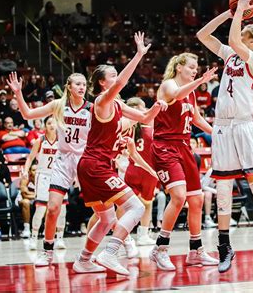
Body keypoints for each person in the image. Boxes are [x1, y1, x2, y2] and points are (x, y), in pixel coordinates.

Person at [197, 0, 253, 273]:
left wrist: (241, 12)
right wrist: (230, 13)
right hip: (222, 127)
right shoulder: (231, 55)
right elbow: (203, 35)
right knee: (222, 190)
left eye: (246, 34)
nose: (241, 36)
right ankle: (225, 248)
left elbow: (233, 39)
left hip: (244, 126)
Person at [74, 32, 167, 275]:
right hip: (95, 165)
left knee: (106, 220)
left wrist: (158, 105)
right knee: (135, 208)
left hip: (93, 166)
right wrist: (138, 55)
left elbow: (145, 118)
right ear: (103, 83)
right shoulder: (102, 102)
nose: (116, 78)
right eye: (112, 76)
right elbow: (121, 84)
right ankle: (110, 252)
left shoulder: (117, 105)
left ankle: (84, 260)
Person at [6, 71, 91, 267]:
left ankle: (107, 247)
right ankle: (47, 250)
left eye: (84, 84)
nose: (81, 87)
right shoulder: (58, 105)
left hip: (83, 160)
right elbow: (27, 114)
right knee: (52, 208)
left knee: (102, 208)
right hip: (62, 161)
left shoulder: (91, 109)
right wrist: (18, 93)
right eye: (77, 84)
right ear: (69, 86)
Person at [147, 52, 218, 272]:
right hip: (165, 147)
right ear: (179, 67)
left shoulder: (192, 94)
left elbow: (196, 119)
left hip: (185, 147)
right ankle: (160, 249)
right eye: (191, 68)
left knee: (196, 201)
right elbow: (177, 94)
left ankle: (195, 251)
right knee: (178, 197)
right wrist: (201, 81)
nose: (194, 71)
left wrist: (216, 132)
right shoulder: (168, 85)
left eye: (196, 69)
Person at [22, 116, 66, 250]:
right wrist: (25, 170)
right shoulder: (40, 141)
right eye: (49, 123)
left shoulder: (62, 141)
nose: (52, 125)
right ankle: (34, 238)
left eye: (54, 123)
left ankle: (59, 239)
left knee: (62, 209)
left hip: (58, 176)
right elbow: (30, 158)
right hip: (43, 176)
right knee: (41, 208)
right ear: (44, 126)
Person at [122, 97, 159, 246]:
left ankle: (127, 234)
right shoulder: (149, 126)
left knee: (125, 204)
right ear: (137, 108)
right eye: (144, 107)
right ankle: (141, 234)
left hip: (134, 169)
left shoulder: (127, 127)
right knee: (145, 204)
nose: (146, 110)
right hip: (147, 171)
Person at [17, 163, 36, 239]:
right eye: (34, 170)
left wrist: (30, 193)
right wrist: (36, 195)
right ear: (30, 171)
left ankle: (46, 228)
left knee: (46, 202)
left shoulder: (42, 178)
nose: (36, 172)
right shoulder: (25, 178)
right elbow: (24, 195)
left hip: (36, 199)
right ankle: (26, 229)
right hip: (21, 199)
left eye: (37, 170)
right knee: (26, 202)